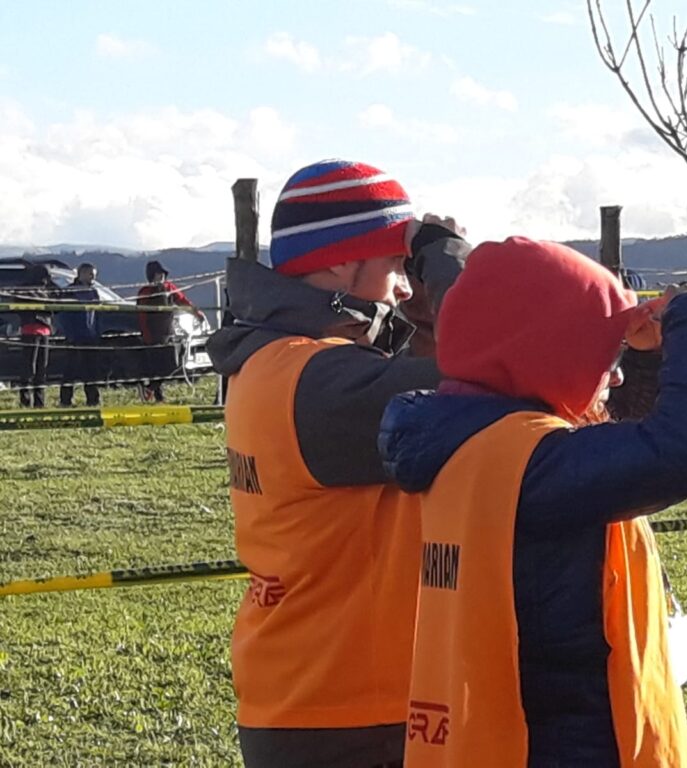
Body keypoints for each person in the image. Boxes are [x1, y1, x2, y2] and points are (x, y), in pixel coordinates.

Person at [379, 238, 687, 767]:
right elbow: (686, 448)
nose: (614, 375)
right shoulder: (530, 467)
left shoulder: (468, 446)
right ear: (547, 356)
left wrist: (625, 339)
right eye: (602, 358)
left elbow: (623, 428)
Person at [207, 159, 470, 768]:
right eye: (399, 265)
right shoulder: (321, 380)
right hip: (353, 710)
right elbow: (494, 372)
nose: (407, 288)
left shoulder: (277, 361)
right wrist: (450, 261)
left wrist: (425, 316)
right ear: (341, 262)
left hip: (311, 694)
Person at [136, 259, 204, 402]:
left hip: (168, 332)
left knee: (170, 366)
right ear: (151, 276)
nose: (161, 277)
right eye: (157, 274)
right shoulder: (145, 292)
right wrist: (146, 334)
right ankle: (158, 396)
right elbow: (142, 316)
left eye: (162, 274)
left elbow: (183, 301)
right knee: (156, 367)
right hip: (152, 334)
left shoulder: (169, 288)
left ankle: (149, 389)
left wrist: (196, 313)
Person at [58, 263, 103, 407]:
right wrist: (70, 335)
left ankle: (93, 399)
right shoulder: (70, 292)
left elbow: (97, 315)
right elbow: (64, 316)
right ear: (81, 274)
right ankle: (65, 400)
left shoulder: (94, 292)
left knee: (91, 370)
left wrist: (97, 333)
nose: (93, 278)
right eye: (90, 275)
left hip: (91, 337)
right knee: (70, 370)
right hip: (75, 337)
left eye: (94, 275)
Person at [17, 264, 56, 408]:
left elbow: (56, 303)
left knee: (41, 369)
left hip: (44, 330)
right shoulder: (25, 289)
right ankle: (26, 401)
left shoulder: (47, 289)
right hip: (30, 331)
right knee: (29, 368)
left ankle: (39, 402)